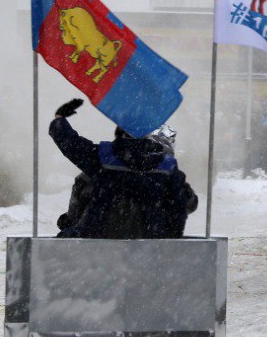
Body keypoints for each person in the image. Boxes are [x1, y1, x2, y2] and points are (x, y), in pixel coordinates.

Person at [50, 98, 198, 238]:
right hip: (151, 243)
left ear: (121, 132)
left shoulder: (104, 157)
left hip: (98, 238)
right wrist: (170, 239)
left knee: (64, 240)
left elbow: (71, 145)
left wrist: (59, 119)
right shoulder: (167, 166)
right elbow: (179, 207)